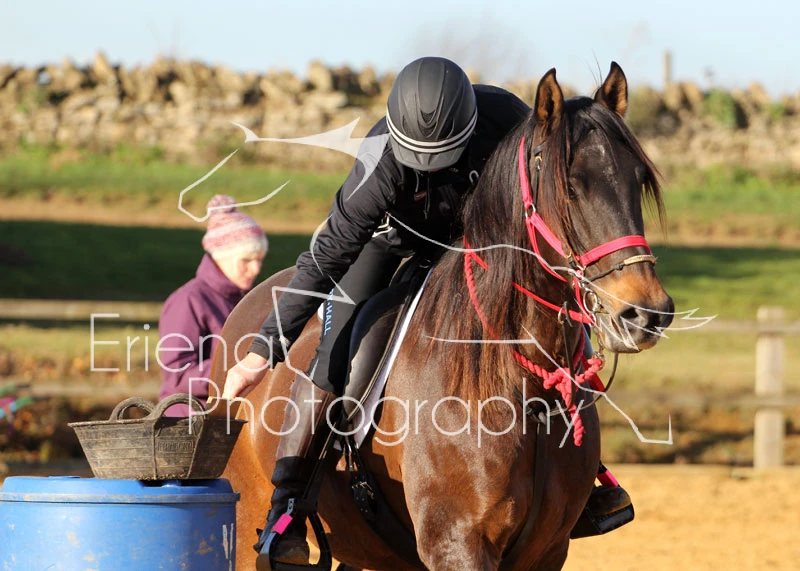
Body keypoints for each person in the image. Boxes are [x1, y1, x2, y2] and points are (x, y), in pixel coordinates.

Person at [222, 57, 630, 565]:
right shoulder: (380, 161)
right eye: (420, 159)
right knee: (339, 342)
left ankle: (582, 477)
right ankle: (289, 501)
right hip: (388, 243)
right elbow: (327, 257)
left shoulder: (509, 121)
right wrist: (263, 351)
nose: (431, 168)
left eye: (444, 156)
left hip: (477, 244)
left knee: (554, 316)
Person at [158, 194, 267, 416]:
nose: (256, 269)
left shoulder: (249, 301)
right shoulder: (188, 301)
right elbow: (178, 376)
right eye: (246, 260)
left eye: (259, 259)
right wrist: (243, 365)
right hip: (189, 422)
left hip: (230, 418)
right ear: (221, 257)